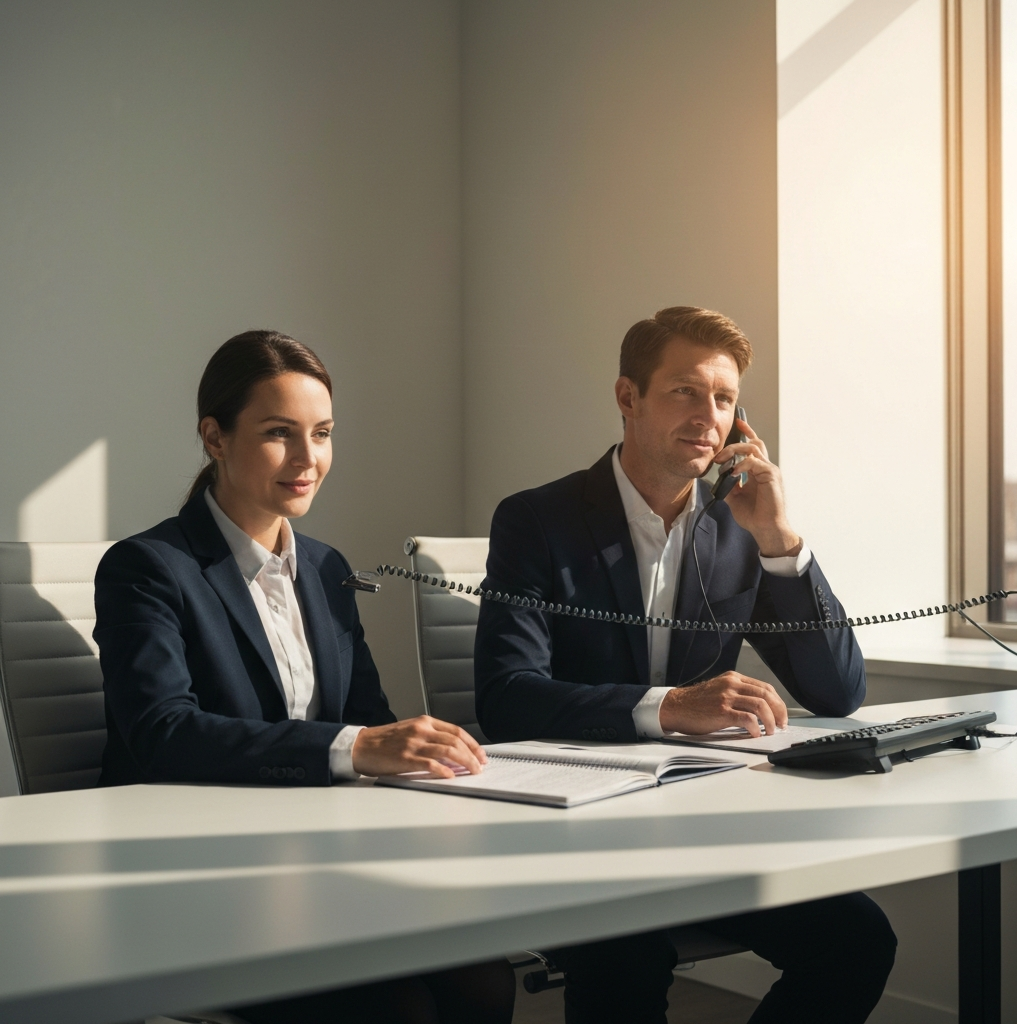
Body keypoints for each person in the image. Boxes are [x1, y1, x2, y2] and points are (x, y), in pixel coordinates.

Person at [473, 307, 896, 1024]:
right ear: (627, 397)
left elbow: (838, 692)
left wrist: (780, 539)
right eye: (685, 392)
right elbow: (508, 698)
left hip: (700, 827)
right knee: (625, 966)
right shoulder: (537, 520)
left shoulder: (735, 533)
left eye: (725, 399)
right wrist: (667, 706)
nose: (709, 417)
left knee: (857, 940)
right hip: (579, 829)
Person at [94, 330, 514, 1024]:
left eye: (321, 434)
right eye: (279, 433)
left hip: (315, 859)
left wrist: (419, 756)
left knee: (485, 982)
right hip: (193, 869)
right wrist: (355, 748)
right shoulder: (147, 568)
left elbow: (367, 716)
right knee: (399, 1010)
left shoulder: (324, 567)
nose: (308, 458)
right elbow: (161, 734)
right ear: (214, 436)